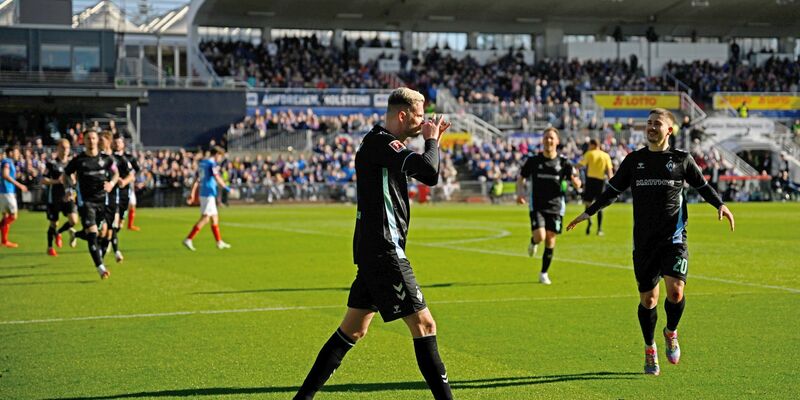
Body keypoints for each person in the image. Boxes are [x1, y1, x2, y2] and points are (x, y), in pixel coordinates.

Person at [294, 88, 453, 400]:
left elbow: (423, 168)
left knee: (353, 329)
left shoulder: (381, 145)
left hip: (374, 250)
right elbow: (430, 173)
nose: (423, 122)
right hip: (384, 250)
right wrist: (432, 141)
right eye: (419, 116)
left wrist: (432, 143)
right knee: (425, 324)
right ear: (402, 115)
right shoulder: (382, 143)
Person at [566, 108, 735, 376]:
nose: (651, 127)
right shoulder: (634, 161)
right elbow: (612, 191)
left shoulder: (682, 160)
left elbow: (702, 186)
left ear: (669, 130)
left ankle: (670, 332)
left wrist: (720, 204)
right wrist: (589, 212)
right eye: (649, 123)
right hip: (644, 241)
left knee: (676, 291)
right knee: (648, 300)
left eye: (657, 123)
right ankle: (650, 348)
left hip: (674, 237)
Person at [516, 127, 581, 285]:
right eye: (546, 138)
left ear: (557, 141)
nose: (548, 141)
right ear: (542, 141)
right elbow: (521, 178)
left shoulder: (564, 163)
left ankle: (543, 273)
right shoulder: (533, 161)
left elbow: (576, 179)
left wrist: (576, 183)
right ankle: (533, 242)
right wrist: (520, 194)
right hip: (537, 205)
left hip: (556, 206)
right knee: (540, 236)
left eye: (551, 138)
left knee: (551, 240)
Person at [64, 131, 119, 279]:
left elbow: (115, 173)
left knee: (101, 233)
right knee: (93, 233)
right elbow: (66, 174)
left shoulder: (106, 159)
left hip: (103, 201)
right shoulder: (79, 160)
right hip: (86, 202)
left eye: (93, 138)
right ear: (84, 141)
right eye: (88, 138)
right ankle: (101, 268)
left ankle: (75, 234)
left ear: (97, 140)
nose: (91, 141)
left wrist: (112, 184)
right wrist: (69, 188)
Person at [183, 146, 231, 251]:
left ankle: (219, 242)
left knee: (214, 217)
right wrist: (226, 187)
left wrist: (192, 192)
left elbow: (197, 178)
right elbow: (217, 177)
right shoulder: (211, 164)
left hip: (204, 192)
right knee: (205, 218)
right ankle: (189, 239)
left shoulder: (202, 163)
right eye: (220, 156)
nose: (220, 159)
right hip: (208, 193)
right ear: (217, 154)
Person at [41, 139, 79, 256]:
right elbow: (43, 180)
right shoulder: (52, 164)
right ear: (57, 148)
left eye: (67, 148)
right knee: (53, 223)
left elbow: (76, 179)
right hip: (55, 198)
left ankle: (59, 233)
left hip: (69, 197)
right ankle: (50, 247)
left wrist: (74, 181)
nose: (65, 150)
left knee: (74, 221)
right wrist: (56, 181)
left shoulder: (72, 164)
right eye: (62, 147)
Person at [577, 139, 614, 236]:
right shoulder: (605, 156)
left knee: (588, 203)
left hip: (590, 181)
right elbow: (610, 172)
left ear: (593, 145)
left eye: (589, 145)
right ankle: (599, 229)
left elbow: (581, 165)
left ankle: (589, 222)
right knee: (600, 205)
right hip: (600, 182)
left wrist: (572, 167)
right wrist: (613, 184)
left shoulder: (589, 153)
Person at [110, 134, 137, 262]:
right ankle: (114, 247)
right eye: (114, 143)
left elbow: (134, 173)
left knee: (120, 223)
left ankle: (110, 237)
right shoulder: (109, 158)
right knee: (113, 221)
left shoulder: (128, 158)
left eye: (118, 143)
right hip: (112, 194)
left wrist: (124, 181)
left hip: (125, 192)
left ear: (123, 144)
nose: (116, 145)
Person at [1, 145, 28, 248]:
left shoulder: (8, 162)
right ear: (11, 152)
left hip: (4, 192)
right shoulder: (7, 161)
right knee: (13, 216)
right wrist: (19, 185)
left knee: (5, 217)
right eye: (17, 152)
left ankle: (4, 241)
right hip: (7, 192)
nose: (18, 154)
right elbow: (5, 175)